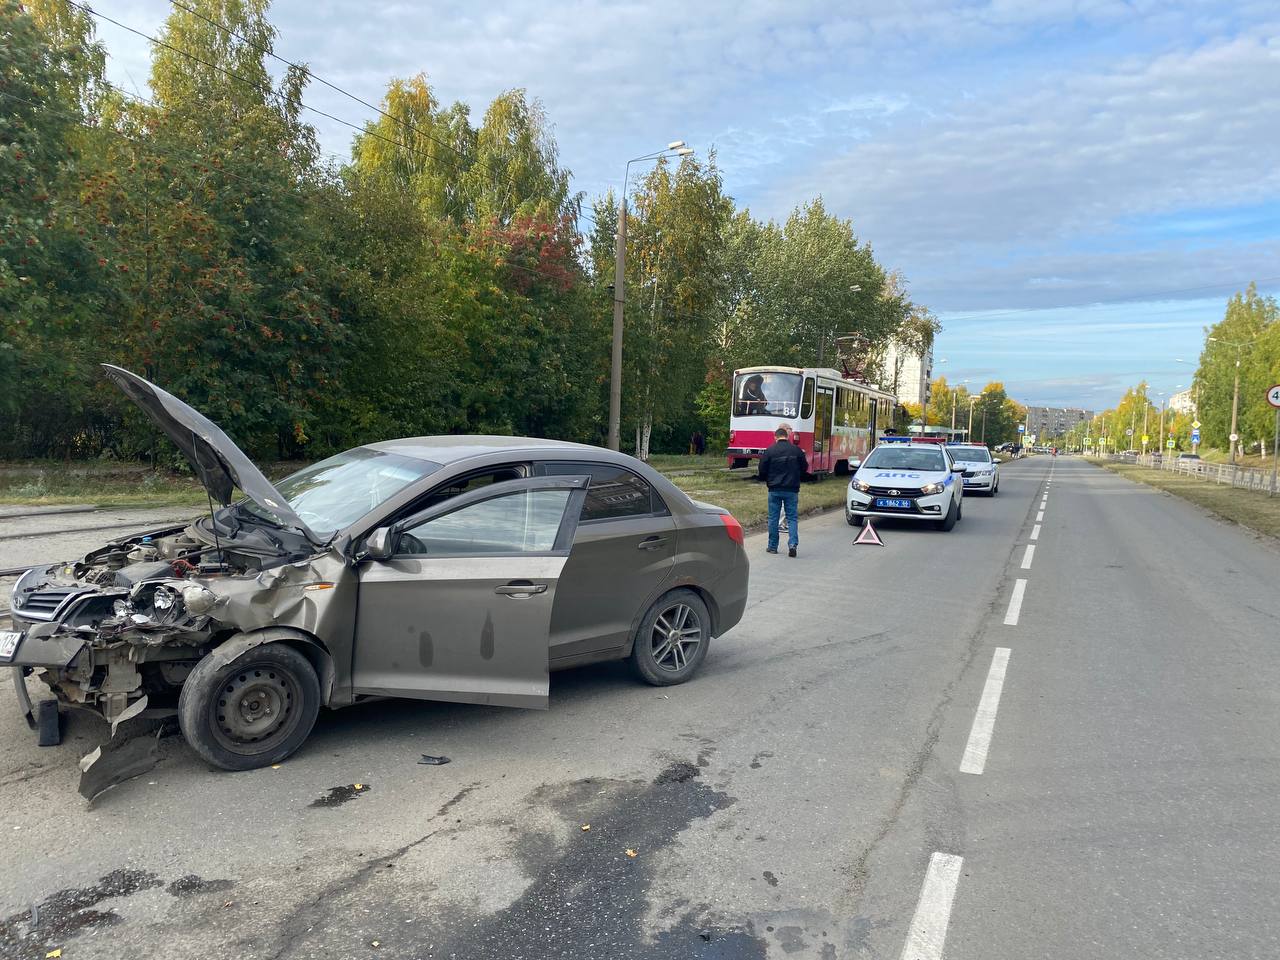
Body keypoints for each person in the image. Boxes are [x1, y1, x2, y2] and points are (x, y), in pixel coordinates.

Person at [758, 426, 808, 557]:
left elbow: (762, 470)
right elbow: (805, 468)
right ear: (787, 436)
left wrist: (768, 480)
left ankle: (772, 546)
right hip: (792, 489)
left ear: (775, 437)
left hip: (774, 489)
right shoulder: (796, 450)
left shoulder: (769, 451)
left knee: (773, 518)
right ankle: (792, 544)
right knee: (792, 518)